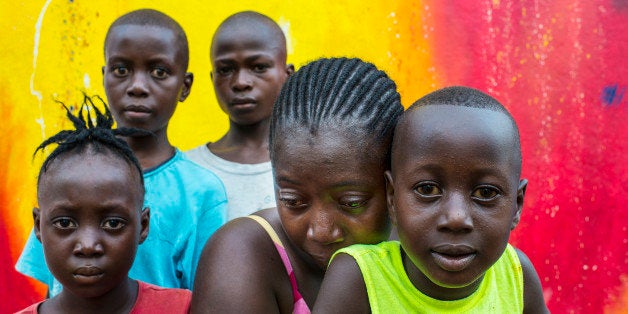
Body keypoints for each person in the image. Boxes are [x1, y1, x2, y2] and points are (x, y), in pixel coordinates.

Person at [15, 9, 228, 295]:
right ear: (104, 76)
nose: (138, 87)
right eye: (121, 70)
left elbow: (206, 296)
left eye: (159, 72)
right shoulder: (67, 171)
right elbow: (53, 287)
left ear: (185, 86)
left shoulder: (200, 192)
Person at [190, 57, 404, 313]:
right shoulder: (243, 254)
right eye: (293, 201)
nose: (321, 232)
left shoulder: (426, 250)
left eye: (351, 203)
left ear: (392, 185)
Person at [314, 86, 549, 313]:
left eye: (485, 193)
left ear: (516, 206)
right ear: (392, 198)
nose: (456, 218)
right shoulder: (360, 280)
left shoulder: (515, 274)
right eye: (427, 189)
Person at [16, 98, 191, 313]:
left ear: (143, 226)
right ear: (38, 226)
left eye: (113, 223)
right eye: (64, 223)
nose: (88, 246)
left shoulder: (184, 309)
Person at [186, 11, 294, 220]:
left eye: (259, 67)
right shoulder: (188, 170)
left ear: (286, 75)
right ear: (212, 78)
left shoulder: (309, 165)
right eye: (226, 70)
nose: (240, 82)